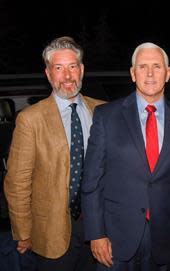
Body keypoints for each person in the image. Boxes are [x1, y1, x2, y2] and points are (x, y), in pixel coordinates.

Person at [81, 42, 170, 271]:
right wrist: (96, 233)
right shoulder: (106, 116)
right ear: (132, 73)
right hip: (115, 241)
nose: (149, 73)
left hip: (168, 240)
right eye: (143, 66)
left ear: (168, 74)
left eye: (157, 66)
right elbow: (92, 181)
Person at [4, 36, 105, 271]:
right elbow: (17, 182)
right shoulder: (31, 119)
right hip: (51, 232)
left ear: (81, 70)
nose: (67, 76)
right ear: (48, 74)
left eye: (72, 67)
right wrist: (23, 232)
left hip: (99, 227)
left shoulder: (103, 111)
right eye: (59, 68)